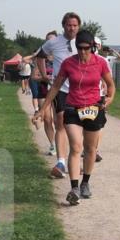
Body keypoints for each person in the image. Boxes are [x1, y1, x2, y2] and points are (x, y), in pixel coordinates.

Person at [33, 29, 115, 205]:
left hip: (94, 108)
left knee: (90, 149)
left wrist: (109, 98)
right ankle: (74, 188)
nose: (83, 52)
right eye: (79, 48)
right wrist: (42, 109)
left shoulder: (100, 63)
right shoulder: (69, 63)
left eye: (86, 48)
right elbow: (55, 87)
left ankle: (85, 183)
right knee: (76, 147)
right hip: (72, 108)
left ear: (92, 47)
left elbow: (110, 85)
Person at [35, 13, 81, 178]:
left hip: (80, 91)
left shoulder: (83, 42)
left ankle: (74, 160)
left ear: (79, 26)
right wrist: (44, 74)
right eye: (69, 25)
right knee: (60, 122)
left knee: (77, 126)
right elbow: (39, 56)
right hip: (61, 89)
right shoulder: (53, 42)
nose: (72, 28)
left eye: (75, 25)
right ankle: (61, 161)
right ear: (63, 26)